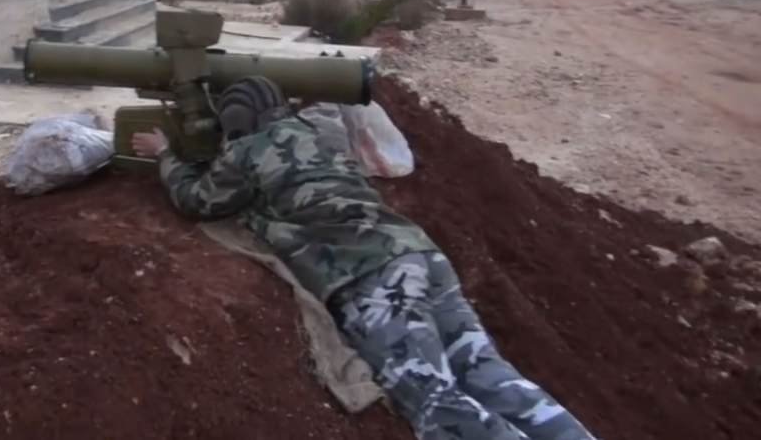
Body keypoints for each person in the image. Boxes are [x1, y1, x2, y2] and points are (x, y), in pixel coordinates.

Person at [131, 76, 594, 440]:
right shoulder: (318, 137)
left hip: (373, 279)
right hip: (422, 256)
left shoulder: (246, 152)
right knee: (488, 373)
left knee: (433, 399)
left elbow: (197, 200)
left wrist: (167, 155)